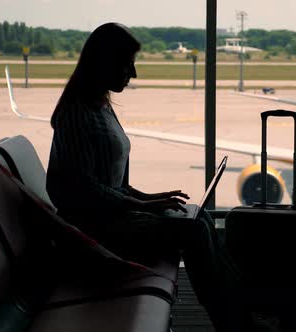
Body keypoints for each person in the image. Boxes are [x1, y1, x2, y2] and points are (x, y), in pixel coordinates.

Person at [45, 23, 257, 332]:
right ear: (105, 62)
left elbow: (112, 186)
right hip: (93, 233)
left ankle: (239, 310)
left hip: (109, 220)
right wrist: (141, 205)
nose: (133, 72)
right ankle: (235, 321)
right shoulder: (78, 113)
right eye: (126, 62)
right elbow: (82, 192)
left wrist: (151, 200)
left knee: (197, 217)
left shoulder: (100, 106)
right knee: (194, 229)